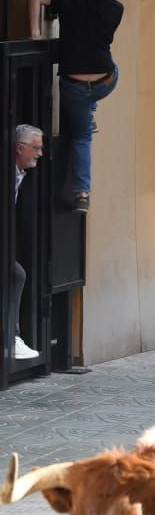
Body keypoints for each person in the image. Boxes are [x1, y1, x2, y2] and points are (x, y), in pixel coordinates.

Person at [29, 0, 123, 215]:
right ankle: (81, 193)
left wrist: (36, 35)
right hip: (105, 81)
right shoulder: (116, 10)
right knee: (82, 134)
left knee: (82, 135)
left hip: (75, 87)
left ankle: (82, 195)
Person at [8, 125, 43, 362]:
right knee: (16, 274)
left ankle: (11, 337)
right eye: (36, 148)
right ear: (19, 148)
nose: (40, 153)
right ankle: (11, 338)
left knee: (16, 274)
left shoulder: (19, 173)